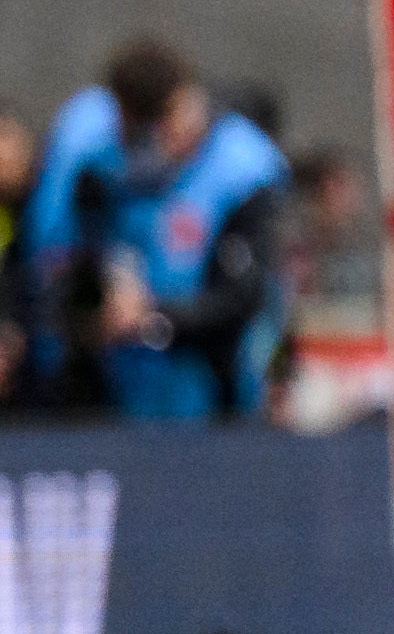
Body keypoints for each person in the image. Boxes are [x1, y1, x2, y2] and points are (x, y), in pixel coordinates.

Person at [35, 41, 290, 422]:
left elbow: (244, 298)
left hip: (215, 395)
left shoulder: (244, 173)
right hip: (119, 392)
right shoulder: (104, 158)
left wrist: (151, 316)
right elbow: (67, 254)